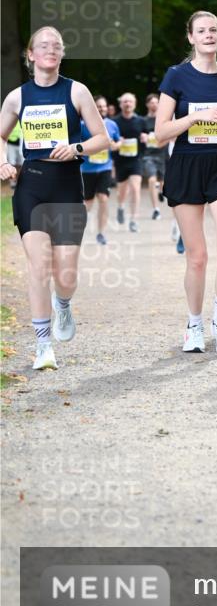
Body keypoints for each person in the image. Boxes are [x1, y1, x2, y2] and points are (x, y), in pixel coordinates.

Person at [0, 26, 107, 370]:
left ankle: (63, 304)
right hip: (32, 183)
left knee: (66, 274)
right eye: (43, 45)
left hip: (66, 185)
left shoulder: (76, 92)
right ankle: (43, 346)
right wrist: (3, 162)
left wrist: (76, 147)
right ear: (30, 55)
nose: (50, 50)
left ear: (61, 54)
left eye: (57, 46)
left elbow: (101, 139)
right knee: (39, 266)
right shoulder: (17, 97)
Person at [155, 10, 217, 354]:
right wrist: (195, 115)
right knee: (197, 257)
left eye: (214, 29)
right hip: (186, 165)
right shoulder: (176, 76)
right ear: (191, 38)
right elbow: (160, 132)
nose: (209, 34)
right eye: (202, 30)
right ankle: (194, 324)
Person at [81, 95, 121, 245]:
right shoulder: (83, 124)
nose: (102, 109)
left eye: (104, 106)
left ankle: (101, 233)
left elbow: (118, 143)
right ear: (93, 108)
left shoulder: (112, 124)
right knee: (88, 203)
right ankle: (78, 231)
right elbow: (78, 145)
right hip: (87, 169)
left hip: (105, 167)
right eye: (99, 106)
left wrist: (114, 145)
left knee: (103, 198)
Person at [114, 92, 147, 232]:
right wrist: (117, 142)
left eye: (130, 102)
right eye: (125, 101)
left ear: (134, 104)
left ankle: (134, 220)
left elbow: (147, 137)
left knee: (135, 188)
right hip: (121, 160)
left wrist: (145, 138)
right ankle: (121, 207)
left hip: (136, 159)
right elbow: (109, 139)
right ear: (120, 104)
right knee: (122, 190)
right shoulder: (114, 121)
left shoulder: (141, 121)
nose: (127, 104)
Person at [142, 93, 168, 219]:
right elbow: (140, 136)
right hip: (149, 155)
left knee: (162, 182)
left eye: (156, 102)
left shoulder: (163, 120)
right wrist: (143, 137)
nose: (154, 104)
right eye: (151, 102)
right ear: (147, 104)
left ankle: (160, 190)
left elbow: (169, 135)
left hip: (163, 154)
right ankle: (156, 209)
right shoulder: (143, 121)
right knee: (152, 180)